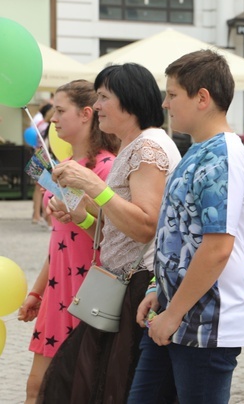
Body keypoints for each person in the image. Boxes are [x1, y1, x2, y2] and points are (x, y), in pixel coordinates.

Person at [38, 63, 181, 404]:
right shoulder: (134, 146)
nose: (97, 106)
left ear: (129, 101)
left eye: (103, 97)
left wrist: (94, 186)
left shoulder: (147, 149)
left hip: (138, 286)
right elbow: (122, 230)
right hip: (123, 285)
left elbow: (146, 224)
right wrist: (84, 218)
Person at [127, 50, 244, 404]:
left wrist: (173, 312)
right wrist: (159, 289)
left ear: (202, 98)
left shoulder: (223, 156)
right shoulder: (200, 150)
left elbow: (217, 248)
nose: (166, 104)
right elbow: (179, 233)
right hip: (177, 315)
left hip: (206, 324)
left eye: (172, 95)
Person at [17, 80, 120, 403]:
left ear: (86, 114)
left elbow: (114, 239)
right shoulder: (63, 168)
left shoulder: (107, 168)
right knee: (36, 388)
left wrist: (82, 217)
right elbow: (57, 242)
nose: (53, 119)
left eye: (61, 111)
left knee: (75, 390)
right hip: (57, 290)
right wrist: (37, 290)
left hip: (89, 293)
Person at [31, 102, 54, 228]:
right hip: (45, 158)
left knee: (38, 190)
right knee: (47, 188)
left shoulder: (39, 124)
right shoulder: (48, 126)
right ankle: (46, 217)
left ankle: (36, 215)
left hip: (37, 156)